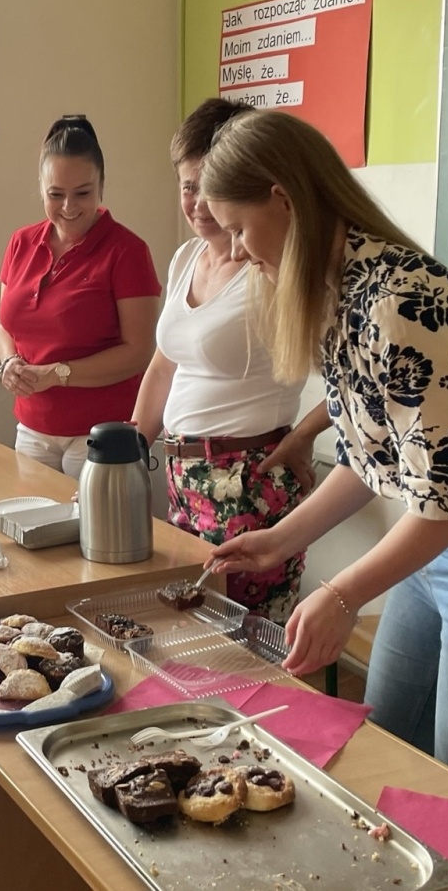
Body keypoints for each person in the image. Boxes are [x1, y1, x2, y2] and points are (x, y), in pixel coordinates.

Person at [201, 109, 448, 808]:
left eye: (237, 227)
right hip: (439, 539)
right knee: (391, 763)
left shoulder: (403, 302)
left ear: (283, 198)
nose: (235, 250)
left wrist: (341, 592)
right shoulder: (338, 294)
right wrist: (281, 540)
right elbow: (372, 456)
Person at [131, 99, 330, 623]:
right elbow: (162, 364)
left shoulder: (272, 265)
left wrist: (303, 433)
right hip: (182, 477)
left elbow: (357, 381)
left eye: (207, 185)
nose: (197, 202)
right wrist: (129, 453)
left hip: (246, 481)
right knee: (194, 633)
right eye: (186, 186)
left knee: (247, 643)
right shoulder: (185, 259)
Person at [0, 116, 162, 480]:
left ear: (102, 186)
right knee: (32, 531)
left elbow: (138, 352)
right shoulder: (21, 243)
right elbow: (4, 325)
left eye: (82, 193)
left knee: (96, 534)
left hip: (102, 432)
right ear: (41, 188)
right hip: (32, 428)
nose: (69, 206)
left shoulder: (127, 251)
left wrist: (57, 374)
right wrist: (8, 364)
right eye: (56, 194)